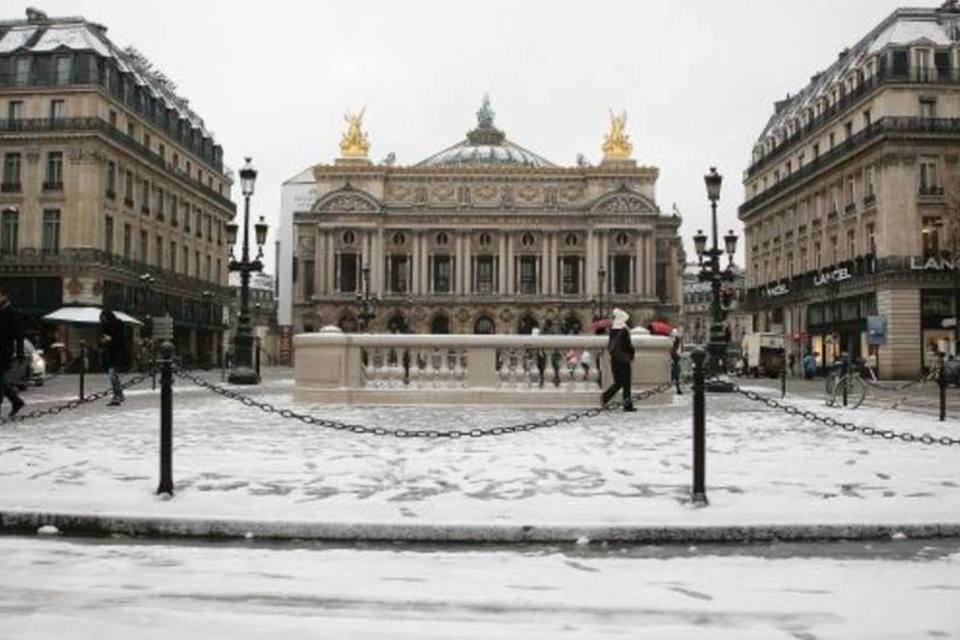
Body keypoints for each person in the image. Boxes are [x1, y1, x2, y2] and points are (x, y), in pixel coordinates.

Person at [601, 308, 636, 411]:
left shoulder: (613, 331)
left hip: (615, 359)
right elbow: (626, 346)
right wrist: (631, 353)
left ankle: (606, 396)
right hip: (624, 359)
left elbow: (611, 346)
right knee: (626, 383)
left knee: (618, 382)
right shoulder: (624, 331)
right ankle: (627, 405)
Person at [0, 286, 26, 417]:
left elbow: (19, 336)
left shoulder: (12, 314)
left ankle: (15, 401)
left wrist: (20, 354)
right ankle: (16, 401)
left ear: (4, 296)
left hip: (4, 352)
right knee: (1, 381)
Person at [100, 309, 127, 406]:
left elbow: (121, 340)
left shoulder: (119, 324)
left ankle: (118, 395)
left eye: (105, 318)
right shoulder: (104, 327)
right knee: (113, 376)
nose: (104, 320)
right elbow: (103, 341)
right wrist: (104, 342)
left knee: (113, 374)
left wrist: (110, 339)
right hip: (110, 355)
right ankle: (118, 395)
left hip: (117, 354)